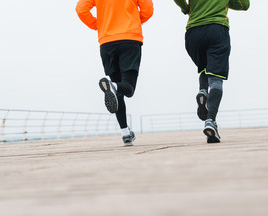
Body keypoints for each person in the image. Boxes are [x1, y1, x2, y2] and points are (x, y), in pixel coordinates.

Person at [76, 0, 154, 146]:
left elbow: (81, 9)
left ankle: (125, 133)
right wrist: (135, 21)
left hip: (107, 43)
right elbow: (147, 9)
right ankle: (112, 86)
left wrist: (99, 25)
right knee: (128, 88)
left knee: (118, 93)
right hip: (129, 40)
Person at [173, 0, 250, 143]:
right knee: (216, 79)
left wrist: (186, 8)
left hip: (193, 33)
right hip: (216, 29)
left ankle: (203, 91)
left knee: (204, 68)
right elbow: (244, 5)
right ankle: (210, 121)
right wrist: (224, 3)